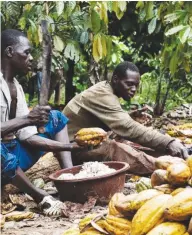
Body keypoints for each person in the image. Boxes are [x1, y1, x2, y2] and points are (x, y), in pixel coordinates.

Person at [0, 29, 77, 216]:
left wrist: (68, 147)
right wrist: (28, 118)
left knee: (56, 117)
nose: (31, 58)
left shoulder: (16, 86)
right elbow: (24, 122)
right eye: (26, 52)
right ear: (10, 52)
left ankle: (70, 179)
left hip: (14, 153)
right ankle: (40, 196)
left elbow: (27, 137)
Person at [63, 61, 188, 174]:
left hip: (85, 142)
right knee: (113, 148)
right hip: (70, 149)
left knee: (128, 144)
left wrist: (129, 116)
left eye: (136, 85)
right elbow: (128, 128)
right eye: (129, 84)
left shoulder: (106, 89)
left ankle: (171, 158)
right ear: (116, 79)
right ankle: (169, 168)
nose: (133, 89)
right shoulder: (102, 94)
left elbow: (113, 121)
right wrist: (168, 142)